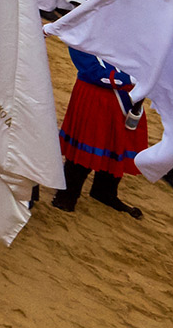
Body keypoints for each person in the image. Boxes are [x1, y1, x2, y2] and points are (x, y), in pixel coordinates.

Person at [54, 49, 147, 218]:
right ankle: (67, 195)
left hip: (126, 97)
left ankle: (105, 192)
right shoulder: (82, 27)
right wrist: (131, 78)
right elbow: (91, 71)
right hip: (95, 96)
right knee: (87, 143)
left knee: (119, 143)